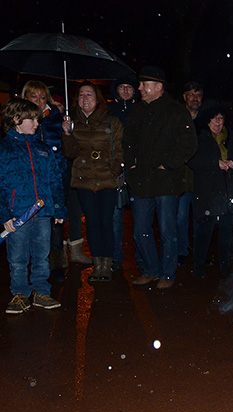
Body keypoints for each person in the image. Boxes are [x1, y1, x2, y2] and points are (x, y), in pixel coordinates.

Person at [123, 66, 197, 290]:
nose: (140, 89)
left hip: (167, 182)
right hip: (141, 182)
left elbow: (189, 144)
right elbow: (127, 141)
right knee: (140, 231)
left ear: (158, 87)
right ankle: (150, 270)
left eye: (144, 85)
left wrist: (169, 163)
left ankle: (167, 272)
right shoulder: (136, 112)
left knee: (167, 230)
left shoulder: (176, 111)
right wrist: (131, 163)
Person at [0, 98, 65, 313]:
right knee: (18, 256)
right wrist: (4, 215)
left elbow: (54, 179)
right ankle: (19, 293)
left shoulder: (43, 148)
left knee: (41, 254)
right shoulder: (5, 148)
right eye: (32, 120)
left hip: (43, 212)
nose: (37, 124)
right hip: (18, 213)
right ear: (16, 119)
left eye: (38, 120)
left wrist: (58, 207)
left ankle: (41, 291)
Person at [21, 80, 90, 277]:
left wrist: (67, 132)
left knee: (55, 221)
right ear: (26, 98)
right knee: (31, 222)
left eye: (43, 97)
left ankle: (56, 264)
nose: (39, 101)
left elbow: (69, 151)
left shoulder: (57, 120)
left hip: (55, 177)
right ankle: (32, 265)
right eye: (34, 97)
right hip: (29, 180)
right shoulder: (19, 121)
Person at [61, 83, 124, 282]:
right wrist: (67, 134)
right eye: (81, 95)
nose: (85, 98)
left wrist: (112, 170)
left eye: (89, 94)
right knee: (93, 224)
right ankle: (98, 265)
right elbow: (69, 153)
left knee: (106, 222)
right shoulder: (73, 123)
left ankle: (108, 264)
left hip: (107, 180)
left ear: (97, 99)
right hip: (84, 181)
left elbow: (121, 149)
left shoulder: (111, 122)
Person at [187, 102, 233, 277]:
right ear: (207, 121)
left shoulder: (231, 139)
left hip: (228, 194)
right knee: (204, 232)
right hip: (208, 195)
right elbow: (192, 160)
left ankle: (225, 265)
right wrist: (215, 164)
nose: (217, 123)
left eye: (220, 119)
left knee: (226, 233)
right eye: (214, 119)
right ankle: (198, 266)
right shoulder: (200, 139)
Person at [108, 74, 139, 272]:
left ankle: (141, 259)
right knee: (116, 214)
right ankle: (116, 257)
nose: (126, 90)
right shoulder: (110, 112)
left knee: (141, 216)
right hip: (118, 169)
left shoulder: (141, 111)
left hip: (137, 168)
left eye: (129, 87)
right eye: (122, 87)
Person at [177, 81, 204, 265]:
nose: (195, 98)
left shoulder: (207, 119)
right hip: (181, 176)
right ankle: (182, 251)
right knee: (180, 216)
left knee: (201, 217)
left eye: (198, 95)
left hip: (202, 177)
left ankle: (199, 254)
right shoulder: (177, 117)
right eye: (191, 94)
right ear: (185, 97)